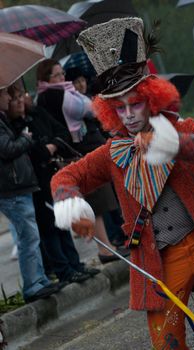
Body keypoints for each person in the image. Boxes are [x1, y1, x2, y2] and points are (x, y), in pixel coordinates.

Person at [50, 17, 194, 349]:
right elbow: (66, 177)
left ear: (151, 99)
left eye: (136, 103)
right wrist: (71, 204)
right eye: (120, 109)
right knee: (167, 342)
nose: (130, 114)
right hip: (163, 263)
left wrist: (176, 144)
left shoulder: (178, 128)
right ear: (110, 112)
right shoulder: (111, 153)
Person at [36, 59, 129, 263]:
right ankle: (105, 249)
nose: (63, 78)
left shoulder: (57, 93)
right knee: (95, 203)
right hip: (75, 152)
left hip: (78, 149)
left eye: (62, 74)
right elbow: (89, 108)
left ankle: (108, 247)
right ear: (46, 79)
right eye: (58, 75)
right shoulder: (54, 95)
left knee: (99, 203)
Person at [7, 82, 98, 283]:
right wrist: (43, 147)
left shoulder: (37, 114)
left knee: (63, 221)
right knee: (49, 226)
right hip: (36, 181)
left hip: (52, 174)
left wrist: (52, 145)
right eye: (14, 99)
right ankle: (63, 270)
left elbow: (61, 133)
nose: (20, 101)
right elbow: (33, 153)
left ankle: (75, 265)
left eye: (21, 95)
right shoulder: (13, 127)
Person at [0, 87, 62, 303]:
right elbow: (6, 149)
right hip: (13, 188)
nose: (9, 99)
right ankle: (33, 284)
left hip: (20, 186)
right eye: (6, 95)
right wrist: (26, 138)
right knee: (28, 237)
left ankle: (40, 279)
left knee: (31, 235)